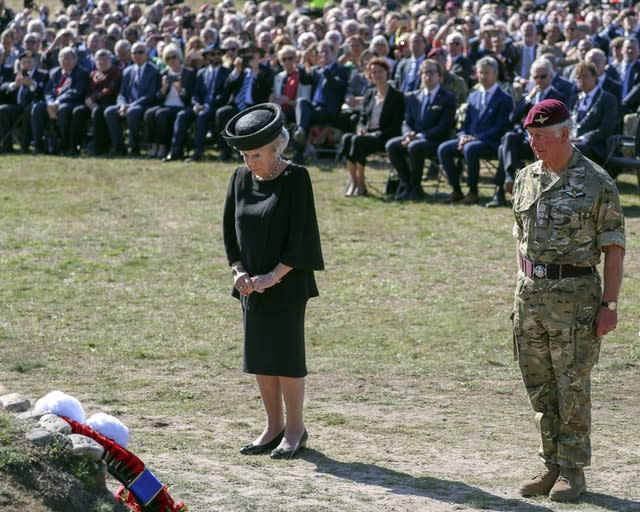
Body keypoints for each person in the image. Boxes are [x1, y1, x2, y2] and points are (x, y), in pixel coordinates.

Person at [512, 99, 625, 502]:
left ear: (565, 133)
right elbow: (520, 238)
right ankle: (551, 464)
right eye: (530, 136)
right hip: (530, 298)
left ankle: (573, 470)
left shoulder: (597, 182)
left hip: (575, 300)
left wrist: (609, 305)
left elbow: (614, 248)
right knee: (540, 387)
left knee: (572, 386)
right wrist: (522, 287)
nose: (534, 144)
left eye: (541, 136)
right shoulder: (525, 178)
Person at [222, 102, 324, 460]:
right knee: (261, 357)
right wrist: (239, 273)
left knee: (287, 357)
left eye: (257, 154)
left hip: (287, 283)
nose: (250, 161)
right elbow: (230, 234)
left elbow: (302, 237)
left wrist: (272, 276)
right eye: (245, 155)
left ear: (276, 148)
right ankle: (272, 426)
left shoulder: (296, 178)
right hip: (250, 285)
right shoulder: (239, 178)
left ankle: (295, 429)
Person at [437, 56, 512, 205]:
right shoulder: (473, 96)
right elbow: (466, 123)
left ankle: (473, 192)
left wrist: (475, 138)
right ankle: (457, 190)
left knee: (470, 149)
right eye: (480, 72)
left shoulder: (504, 98)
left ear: (495, 74)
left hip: (491, 142)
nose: (483, 76)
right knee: (443, 148)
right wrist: (463, 136)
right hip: (470, 140)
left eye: (487, 72)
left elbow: (500, 128)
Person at [386, 58, 456, 201]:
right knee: (391, 145)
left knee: (415, 146)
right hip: (415, 139)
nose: (427, 76)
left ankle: (416, 187)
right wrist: (407, 134)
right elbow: (407, 121)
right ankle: (408, 185)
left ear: (439, 76)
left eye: (431, 72)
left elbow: (444, 126)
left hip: (436, 140)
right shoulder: (413, 97)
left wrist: (420, 136)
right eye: (424, 73)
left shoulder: (448, 98)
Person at [340, 57, 404, 197]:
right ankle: (354, 180)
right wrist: (361, 129)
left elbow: (396, 126)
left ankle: (361, 183)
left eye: (380, 71)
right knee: (346, 138)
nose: (377, 75)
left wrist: (373, 135)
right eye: (374, 72)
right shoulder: (369, 94)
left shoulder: (397, 96)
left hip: (385, 137)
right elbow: (362, 118)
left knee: (357, 141)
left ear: (387, 73)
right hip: (366, 135)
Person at [104, 41, 160, 156]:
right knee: (109, 111)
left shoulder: (154, 71)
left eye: (140, 52)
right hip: (127, 105)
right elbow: (122, 93)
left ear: (147, 54)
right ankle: (119, 147)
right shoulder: (128, 71)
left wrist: (130, 105)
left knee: (132, 112)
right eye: (134, 52)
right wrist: (122, 104)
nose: (137, 55)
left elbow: (150, 95)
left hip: (145, 105)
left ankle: (134, 147)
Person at [144, 43, 195, 159]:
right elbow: (157, 98)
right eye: (168, 58)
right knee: (149, 113)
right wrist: (163, 89)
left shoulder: (188, 73)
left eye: (174, 57)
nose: (172, 61)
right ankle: (153, 145)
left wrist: (180, 90)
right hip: (166, 105)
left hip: (181, 106)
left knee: (161, 114)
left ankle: (162, 147)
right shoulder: (163, 74)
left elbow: (190, 98)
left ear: (179, 57)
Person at [69, 48, 121, 156]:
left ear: (110, 60)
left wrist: (93, 98)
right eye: (99, 60)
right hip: (91, 104)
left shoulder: (116, 72)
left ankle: (98, 147)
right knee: (78, 111)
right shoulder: (93, 74)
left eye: (105, 59)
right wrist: (88, 99)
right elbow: (87, 90)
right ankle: (74, 146)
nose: (102, 62)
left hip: (109, 102)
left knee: (98, 112)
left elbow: (111, 89)